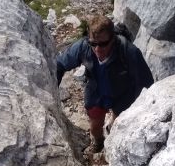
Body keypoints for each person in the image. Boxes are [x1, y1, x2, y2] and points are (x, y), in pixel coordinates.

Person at [57, 15, 154, 152]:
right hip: (96, 91)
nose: (97, 49)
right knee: (95, 126)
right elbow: (60, 64)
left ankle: (113, 136)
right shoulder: (83, 47)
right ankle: (98, 142)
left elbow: (145, 83)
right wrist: (52, 90)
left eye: (103, 44)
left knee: (119, 123)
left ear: (113, 38)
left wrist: (140, 110)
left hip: (122, 93)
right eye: (93, 43)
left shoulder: (128, 51)